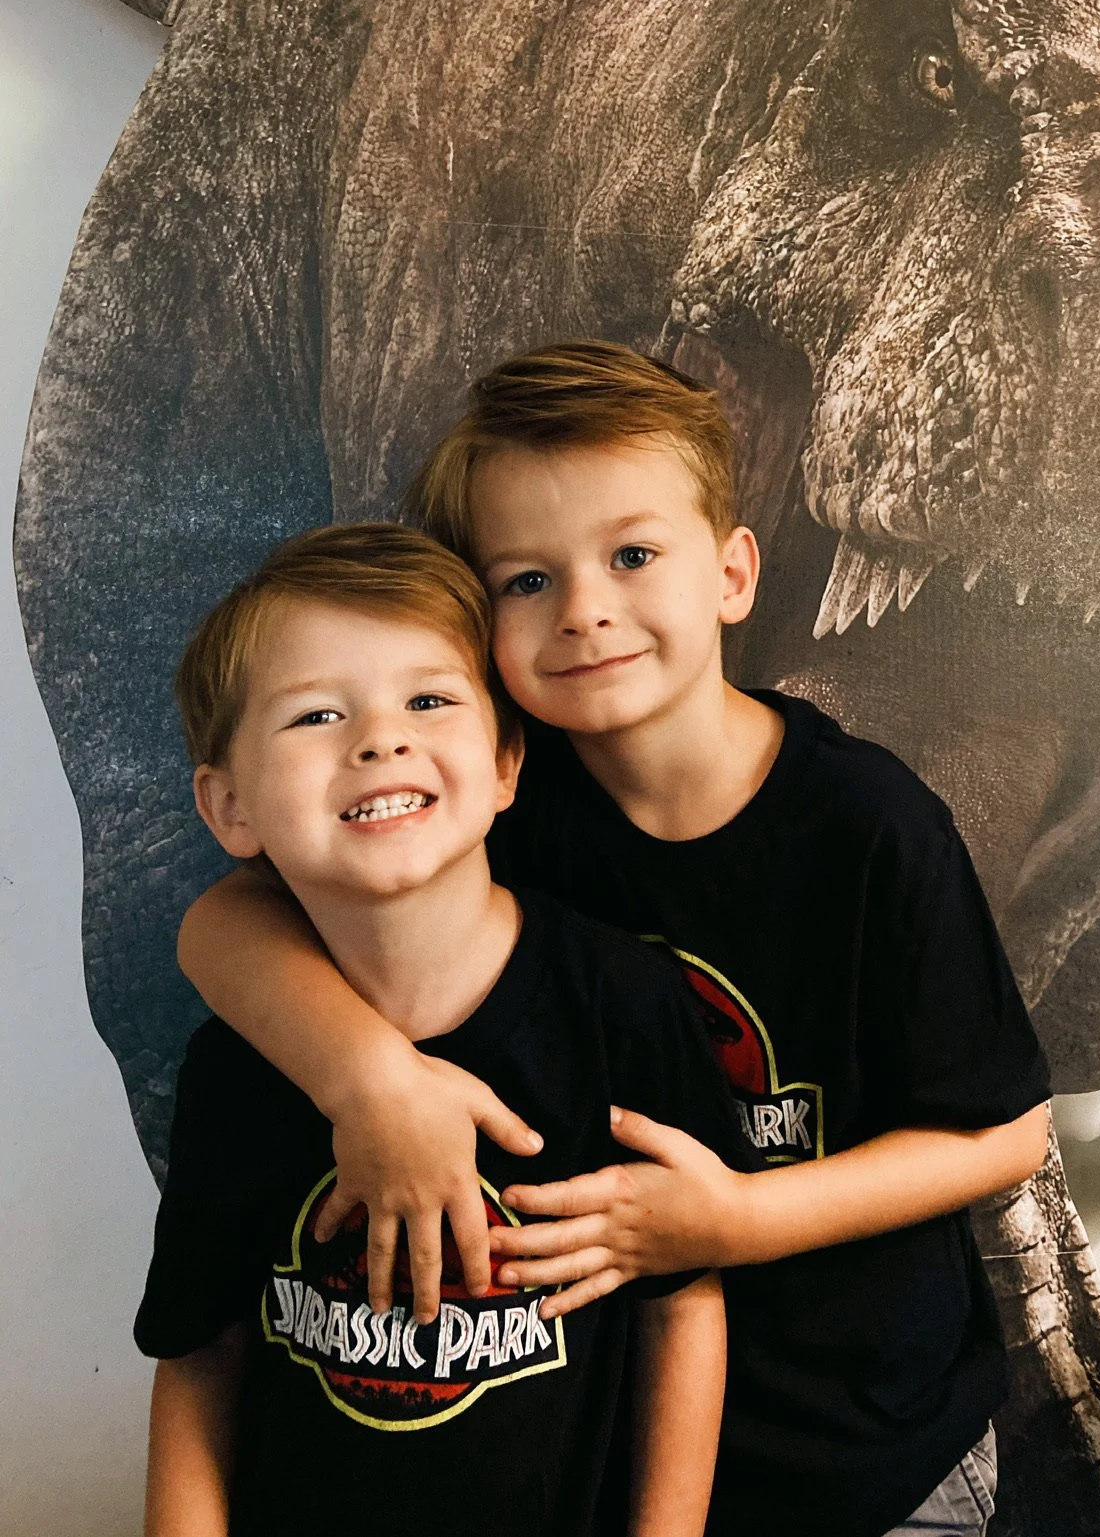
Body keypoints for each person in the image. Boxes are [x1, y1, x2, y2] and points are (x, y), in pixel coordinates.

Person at [178, 344, 1054, 1537]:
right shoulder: (495, 803)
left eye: (632, 556)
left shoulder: (867, 827)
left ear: (732, 574)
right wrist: (370, 1081)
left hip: (868, 1442)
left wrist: (735, 1221)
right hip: (610, 1447)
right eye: (527, 580)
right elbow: (223, 922)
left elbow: (1004, 1132)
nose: (585, 609)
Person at [139, 523, 735, 1537]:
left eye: (427, 701)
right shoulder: (235, 1065)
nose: (380, 740)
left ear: (505, 762)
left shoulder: (620, 1006)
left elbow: (679, 1303)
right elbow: (203, 1347)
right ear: (230, 807)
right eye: (317, 715)